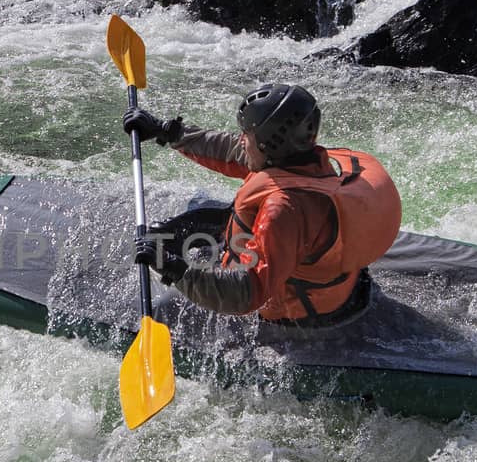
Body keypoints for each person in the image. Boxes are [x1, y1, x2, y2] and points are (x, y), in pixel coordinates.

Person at [124, 83, 402, 326]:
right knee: (184, 226)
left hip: (298, 316)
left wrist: (176, 270)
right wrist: (169, 132)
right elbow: (233, 151)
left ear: (270, 145)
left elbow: (247, 292)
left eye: (247, 135)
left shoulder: (284, 210)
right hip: (329, 277)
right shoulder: (313, 162)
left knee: (162, 312)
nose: (241, 139)